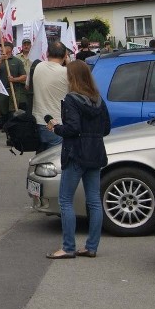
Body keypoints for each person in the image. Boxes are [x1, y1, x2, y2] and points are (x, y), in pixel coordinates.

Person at [45, 60, 111, 259]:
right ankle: (91, 247)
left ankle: (68, 247)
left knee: (65, 200)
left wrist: (55, 127)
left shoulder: (72, 99)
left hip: (76, 152)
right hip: (95, 152)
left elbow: (72, 129)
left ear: (72, 77)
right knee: (94, 201)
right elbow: (106, 128)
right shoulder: (98, 99)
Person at [30, 41, 69, 151]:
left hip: (38, 120)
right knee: (55, 159)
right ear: (65, 55)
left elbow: (28, 87)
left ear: (47, 53)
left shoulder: (36, 66)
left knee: (42, 158)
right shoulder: (66, 72)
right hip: (56, 123)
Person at [0, 41, 27, 122]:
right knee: (1, 111)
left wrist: (14, 79)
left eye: (3, 47)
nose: (1, 49)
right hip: (1, 92)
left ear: (9, 49)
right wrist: (1, 60)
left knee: (12, 111)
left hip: (14, 92)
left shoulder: (17, 61)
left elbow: (24, 77)